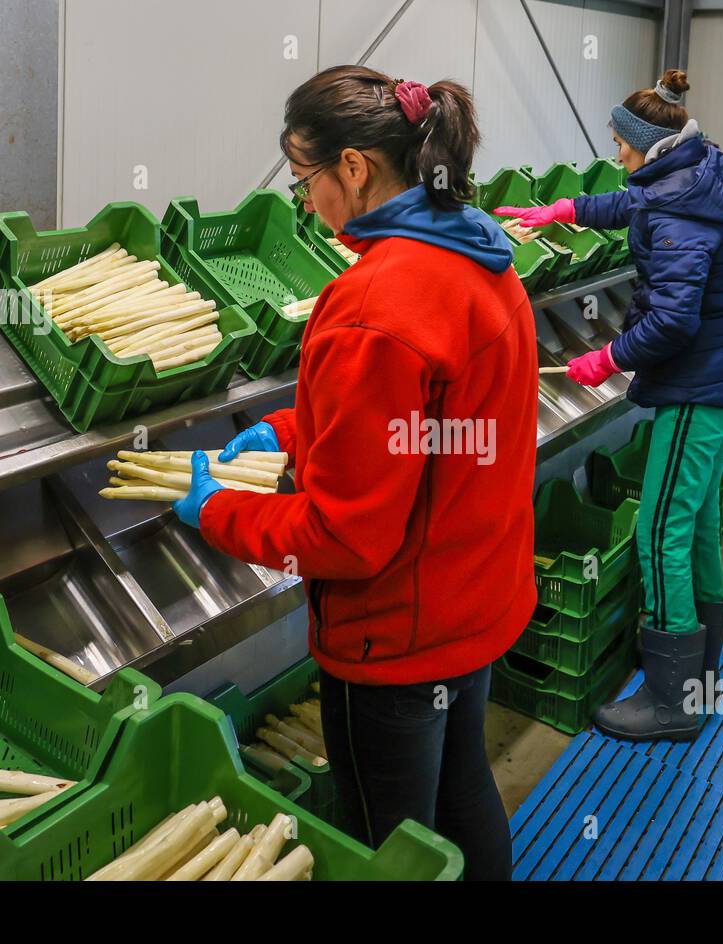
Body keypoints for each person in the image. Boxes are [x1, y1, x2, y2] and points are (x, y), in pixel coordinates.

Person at [171, 66, 538, 880]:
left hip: (396, 634)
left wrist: (218, 515)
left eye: (305, 180)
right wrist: (292, 430)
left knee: (385, 844)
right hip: (473, 600)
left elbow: (347, 535)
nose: (306, 202)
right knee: (461, 792)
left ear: (355, 168)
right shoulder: (482, 256)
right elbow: (433, 429)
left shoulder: (375, 302)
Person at [495, 69, 723, 742]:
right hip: (720, 379)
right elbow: (636, 205)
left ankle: (673, 701)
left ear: (647, 145)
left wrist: (608, 359)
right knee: (696, 526)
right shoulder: (690, 178)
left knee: (659, 534)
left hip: (695, 386)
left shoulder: (680, 215)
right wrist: (567, 212)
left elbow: (672, 322)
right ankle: (701, 667)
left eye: (620, 144)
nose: (615, 154)